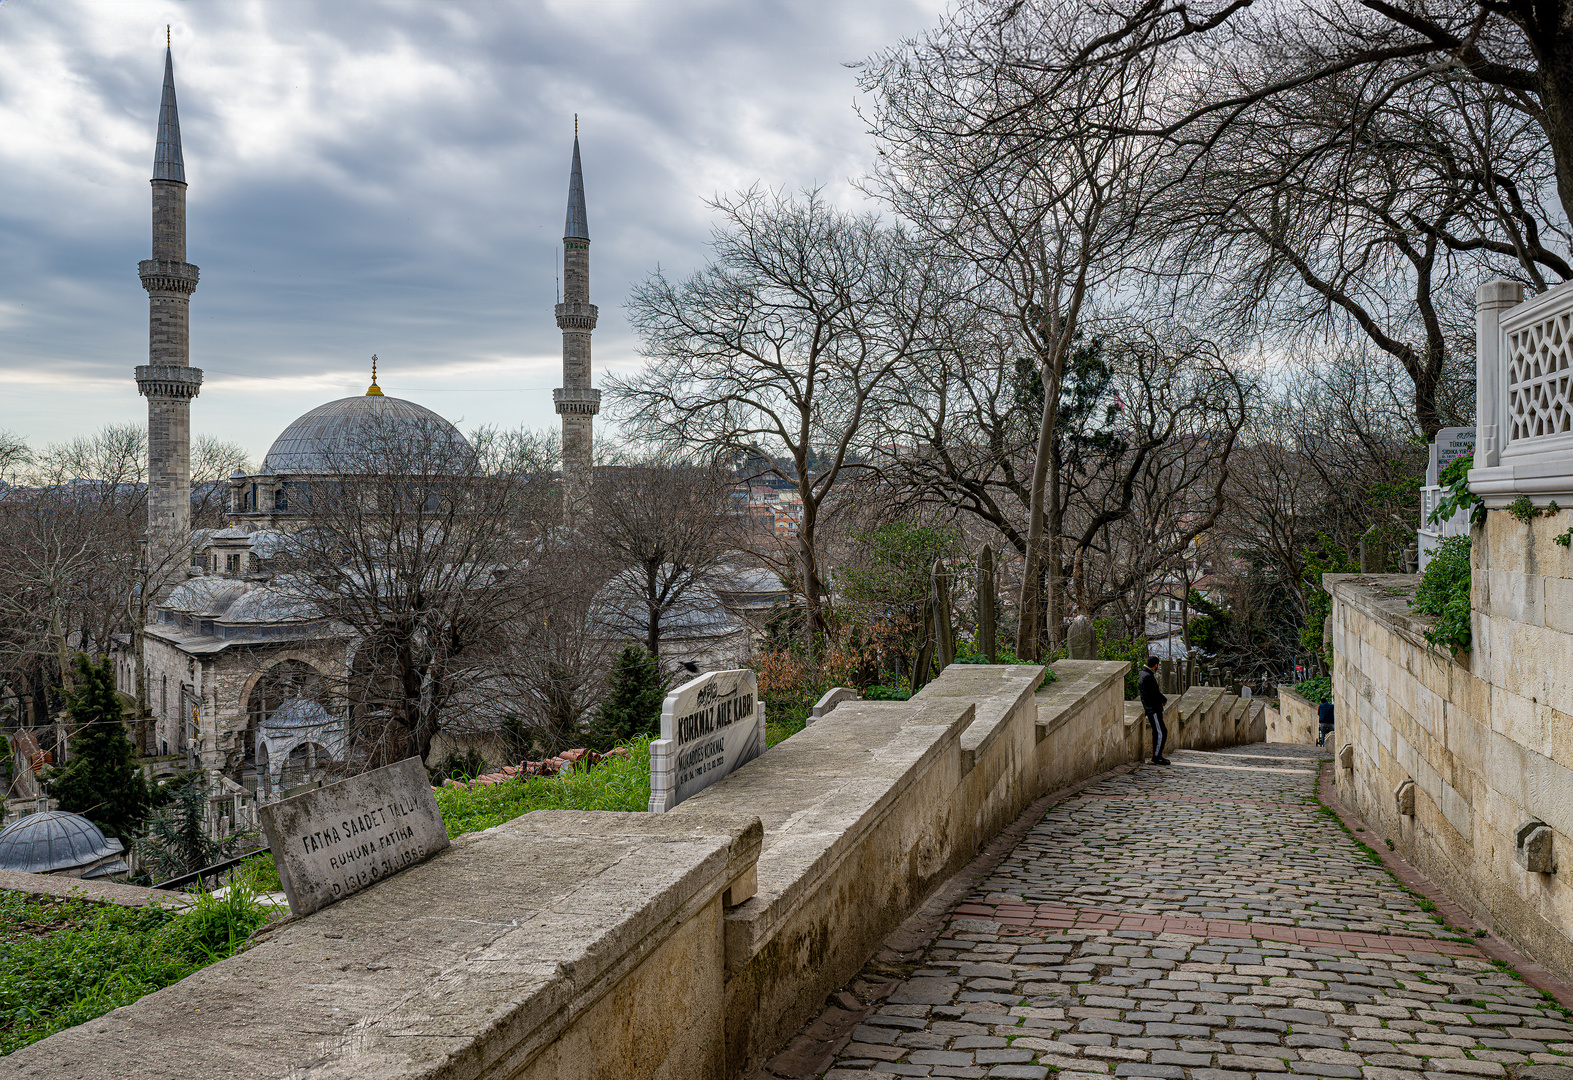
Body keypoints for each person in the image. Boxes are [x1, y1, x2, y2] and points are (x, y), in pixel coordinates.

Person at [1138, 656, 1170, 765]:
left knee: (1160, 731)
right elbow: (1154, 693)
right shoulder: (1148, 676)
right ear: (1156, 665)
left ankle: (1157, 755)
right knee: (1160, 732)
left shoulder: (1144, 674)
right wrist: (1163, 700)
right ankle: (1157, 757)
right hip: (1153, 709)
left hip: (1151, 707)